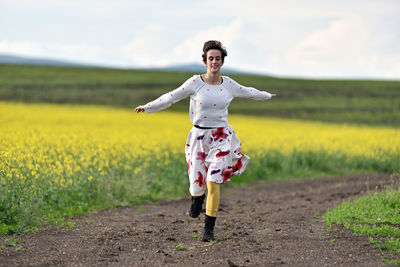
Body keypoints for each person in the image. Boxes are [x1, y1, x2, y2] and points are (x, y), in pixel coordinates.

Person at [135, 40, 276, 242]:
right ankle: (196, 198)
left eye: (218, 59)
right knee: (197, 183)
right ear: (205, 61)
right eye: (211, 58)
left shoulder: (228, 84)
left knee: (214, 182)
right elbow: (170, 97)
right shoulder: (195, 83)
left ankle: (208, 229)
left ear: (222, 61)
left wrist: (266, 96)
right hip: (199, 139)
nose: (214, 62)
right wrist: (147, 107)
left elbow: (248, 91)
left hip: (221, 139)